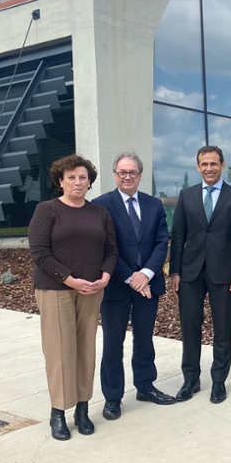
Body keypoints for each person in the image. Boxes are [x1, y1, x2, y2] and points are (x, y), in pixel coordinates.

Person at [28, 154, 118, 440]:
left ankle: (82, 408)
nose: (78, 182)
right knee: (60, 351)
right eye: (71, 177)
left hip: (92, 290)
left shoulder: (99, 213)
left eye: (83, 177)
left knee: (85, 350)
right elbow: (39, 252)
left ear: (89, 182)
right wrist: (69, 279)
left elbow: (111, 250)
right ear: (60, 181)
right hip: (56, 290)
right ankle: (58, 412)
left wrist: (105, 276)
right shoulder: (47, 210)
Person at [92, 152, 175, 421]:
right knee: (113, 343)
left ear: (140, 175)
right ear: (115, 174)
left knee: (144, 338)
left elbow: (162, 242)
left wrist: (147, 274)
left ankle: (145, 386)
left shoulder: (154, 204)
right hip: (117, 284)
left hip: (148, 285)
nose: (127, 176)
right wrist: (131, 277)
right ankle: (113, 397)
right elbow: (105, 247)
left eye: (133, 172)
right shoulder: (101, 205)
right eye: (122, 172)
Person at [169, 145, 231, 405]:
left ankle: (218, 381)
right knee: (190, 327)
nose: (209, 168)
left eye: (213, 163)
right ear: (197, 166)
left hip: (224, 273)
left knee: (222, 329)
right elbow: (179, 236)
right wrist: (175, 271)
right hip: (191, 273)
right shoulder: (186, 196)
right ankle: (191, 379)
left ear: (222, 165)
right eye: (204, 164)